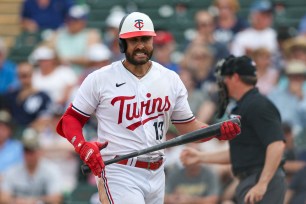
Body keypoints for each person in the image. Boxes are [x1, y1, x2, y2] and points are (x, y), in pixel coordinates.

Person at [55, 12, 241, 204]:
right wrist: (82, 146)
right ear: (122, 44)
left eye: (145, 39)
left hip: (157, 172)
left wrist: (217, 131)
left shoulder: (170, 79)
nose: (140, 45)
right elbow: (70, 119)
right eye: (133, 40)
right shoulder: (101, 78)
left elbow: (188, 126)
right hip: (119, 170)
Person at [180, 55, 286, 204]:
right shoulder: (245, 106)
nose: (222, 83)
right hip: (250, 179)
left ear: (235, 77)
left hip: (261, 179)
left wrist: (262, 183)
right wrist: (200, 157)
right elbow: (240, 152)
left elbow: (277, 145)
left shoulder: (258, 105)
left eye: (224, 78)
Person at [0, 127, 63, 204]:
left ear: (39, 151)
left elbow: (56, 199)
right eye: (26, 150)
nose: (29, 155)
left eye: (32, 150)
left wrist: (30, 201)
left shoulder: (51, 169)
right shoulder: (13, 170)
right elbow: (3, 198)